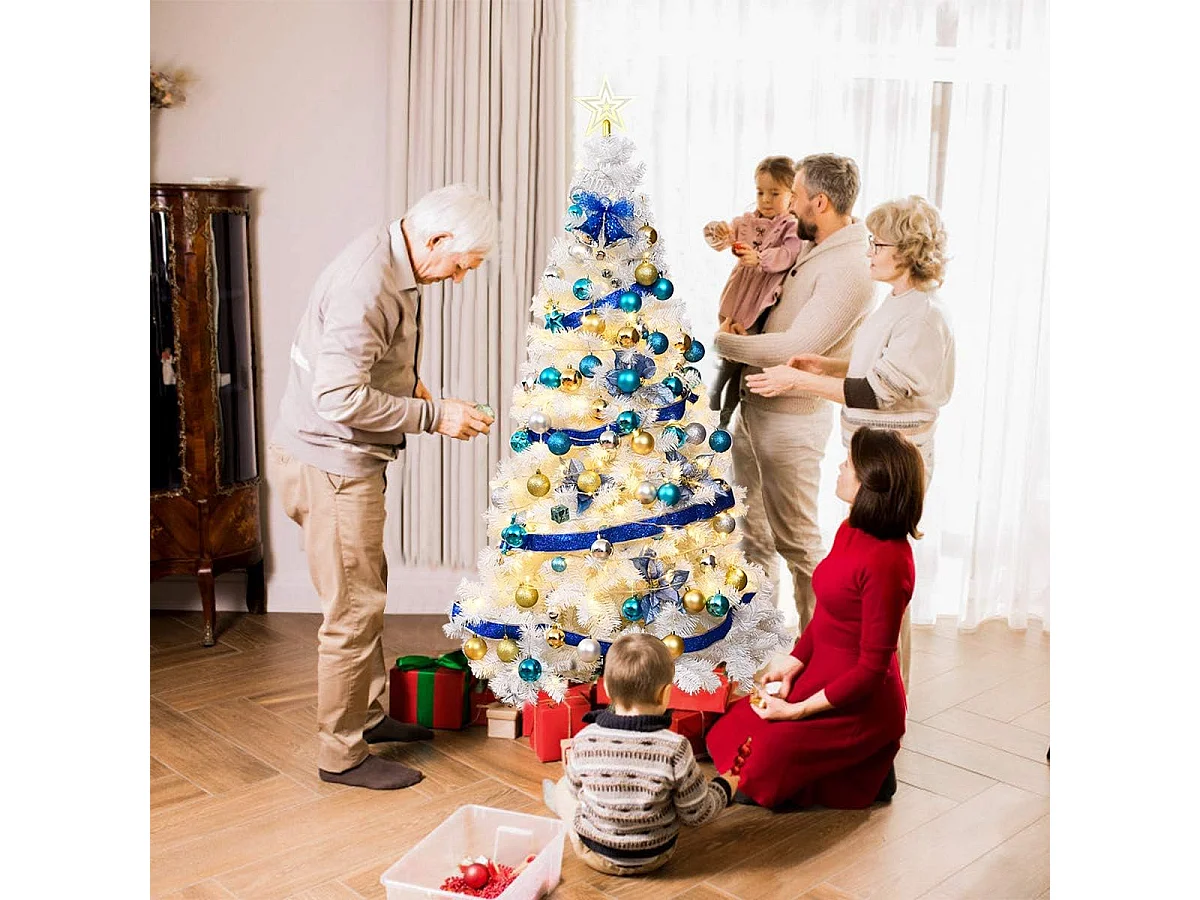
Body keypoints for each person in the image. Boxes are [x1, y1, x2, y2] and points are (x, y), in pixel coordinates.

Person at [267, 184, 498, 790]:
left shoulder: (392, 258)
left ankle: (366, 719)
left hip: (332, 458)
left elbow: (366, 361)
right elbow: (339, 397)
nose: (458, 277)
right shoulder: (366, 283)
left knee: (363, 593)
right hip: (332, 466)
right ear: (436, 239)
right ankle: (341, 754)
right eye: (459, 264)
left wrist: (422, 391)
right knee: (352, 610)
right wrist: (434, 417)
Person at [744, 195, 955, 686]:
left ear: (906, 250)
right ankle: (863, 677)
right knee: (867, 574)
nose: (870, 252)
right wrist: (827, 366)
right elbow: (874, 370)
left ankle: (885, 688)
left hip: (895, 462)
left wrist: (795, 382)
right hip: (872, 453)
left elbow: (876, 391)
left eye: (878, 244)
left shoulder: (922, 315)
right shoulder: (897, 303)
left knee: (883, 580)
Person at [706, 428, 925, 810]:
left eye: (850, 465)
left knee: (764, 758)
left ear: (870, 483)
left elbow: (872, 670)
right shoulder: (851, 528)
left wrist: (796, 711)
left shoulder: (889, 563)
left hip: (859, 700)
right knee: (730, 731)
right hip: (821, 670)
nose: (841, 467)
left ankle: (869, 768)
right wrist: (794, 661)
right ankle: (850, 767)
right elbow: (826, 613)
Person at [711, 153, 876, 632]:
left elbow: (798, 346)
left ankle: (823, 649)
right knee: (754, 536)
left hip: (792, 423)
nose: (787, 209)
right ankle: (759, 645)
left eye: (796, 198)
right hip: (757, 407)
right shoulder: (811, 243)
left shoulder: (848, 268)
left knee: (798, 543)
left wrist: (722, 340)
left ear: (819, 202)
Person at [542, 634, 742, 876]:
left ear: (606, 688)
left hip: (593, 852)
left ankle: (563, 812)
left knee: (565, 787)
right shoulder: (676, 747)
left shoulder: (586, 739)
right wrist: (726, 785)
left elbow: (576, 790)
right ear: (665, 693)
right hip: (655, 855)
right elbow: (698, 813)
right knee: (676, 793)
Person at [702, 155, 804, 429]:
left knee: (741, 360)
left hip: (760, 300)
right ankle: (713, 402)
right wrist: (718, 231)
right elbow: (721, 240)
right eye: (760, 192)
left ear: (792, 196)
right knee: (726, 352)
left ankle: (724, 414)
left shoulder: (790, 226)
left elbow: (788, 254)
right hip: (738, 294)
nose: (766, 200)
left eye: (774, 193)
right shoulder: (746, 222)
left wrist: (759, 259)